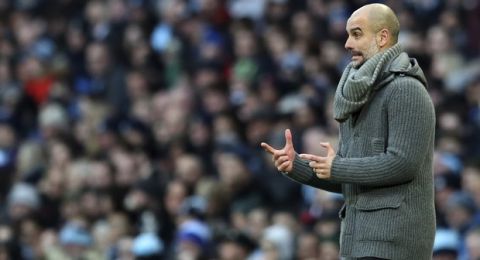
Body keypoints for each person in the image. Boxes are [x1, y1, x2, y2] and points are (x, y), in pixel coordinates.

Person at [261, 3, 436, 260]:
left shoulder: (405, 89)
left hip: (393, 243)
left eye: (356, 34)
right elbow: (350, 177)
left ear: (383, 37)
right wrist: (295, 165)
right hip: (358, 241)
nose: (346, 43)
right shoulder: (359, 94)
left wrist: (338, 167)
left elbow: (403, 163)